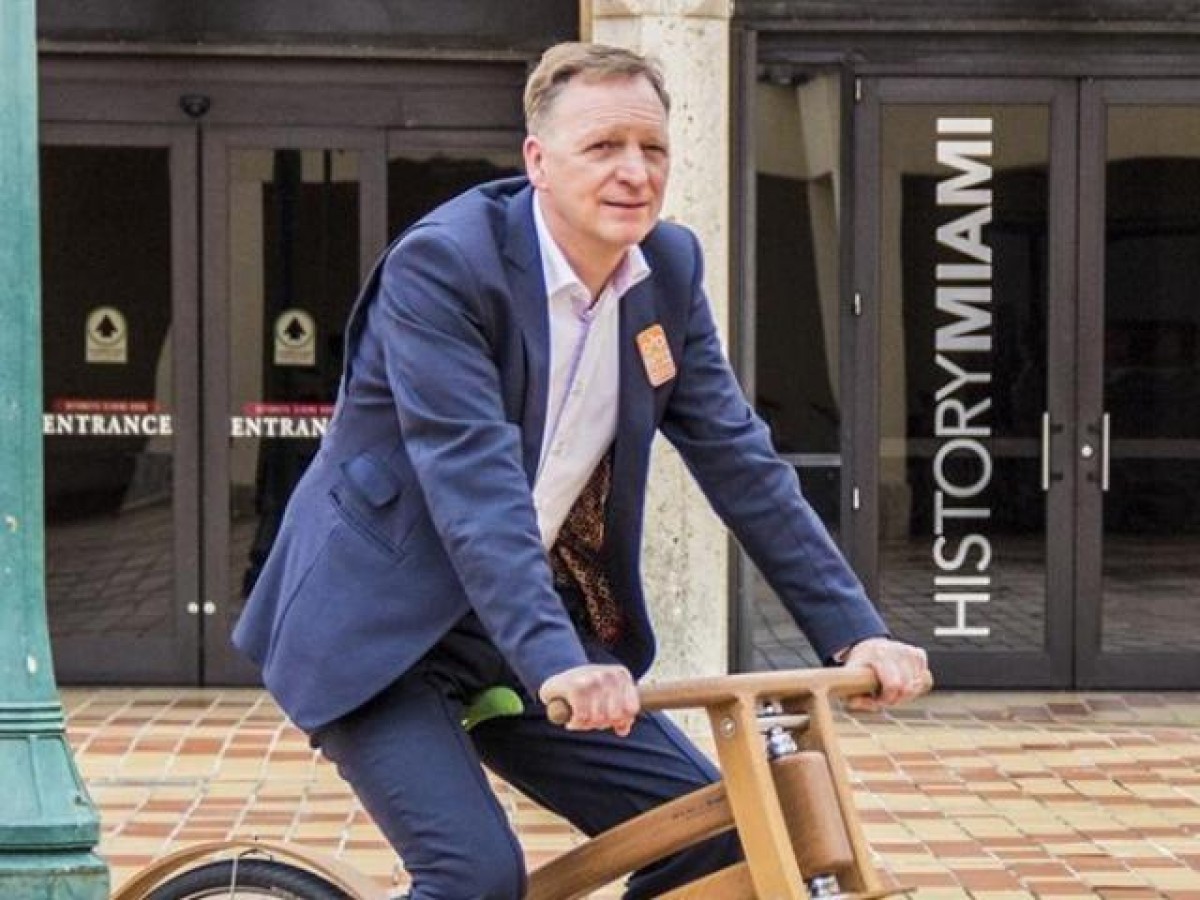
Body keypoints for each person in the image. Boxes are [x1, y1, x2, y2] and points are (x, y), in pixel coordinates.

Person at [233, 41, 930, 900]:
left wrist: (854, 631)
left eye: (653, 148)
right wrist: (556, 660)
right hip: (376, 628)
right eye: (602, 146)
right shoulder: (447, 266)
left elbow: (742, 461)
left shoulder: (668, 270)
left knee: (716, 835)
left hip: (513, 631)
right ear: (537, 160)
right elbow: (474, 480)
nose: (634, 171)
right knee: (477, 877)